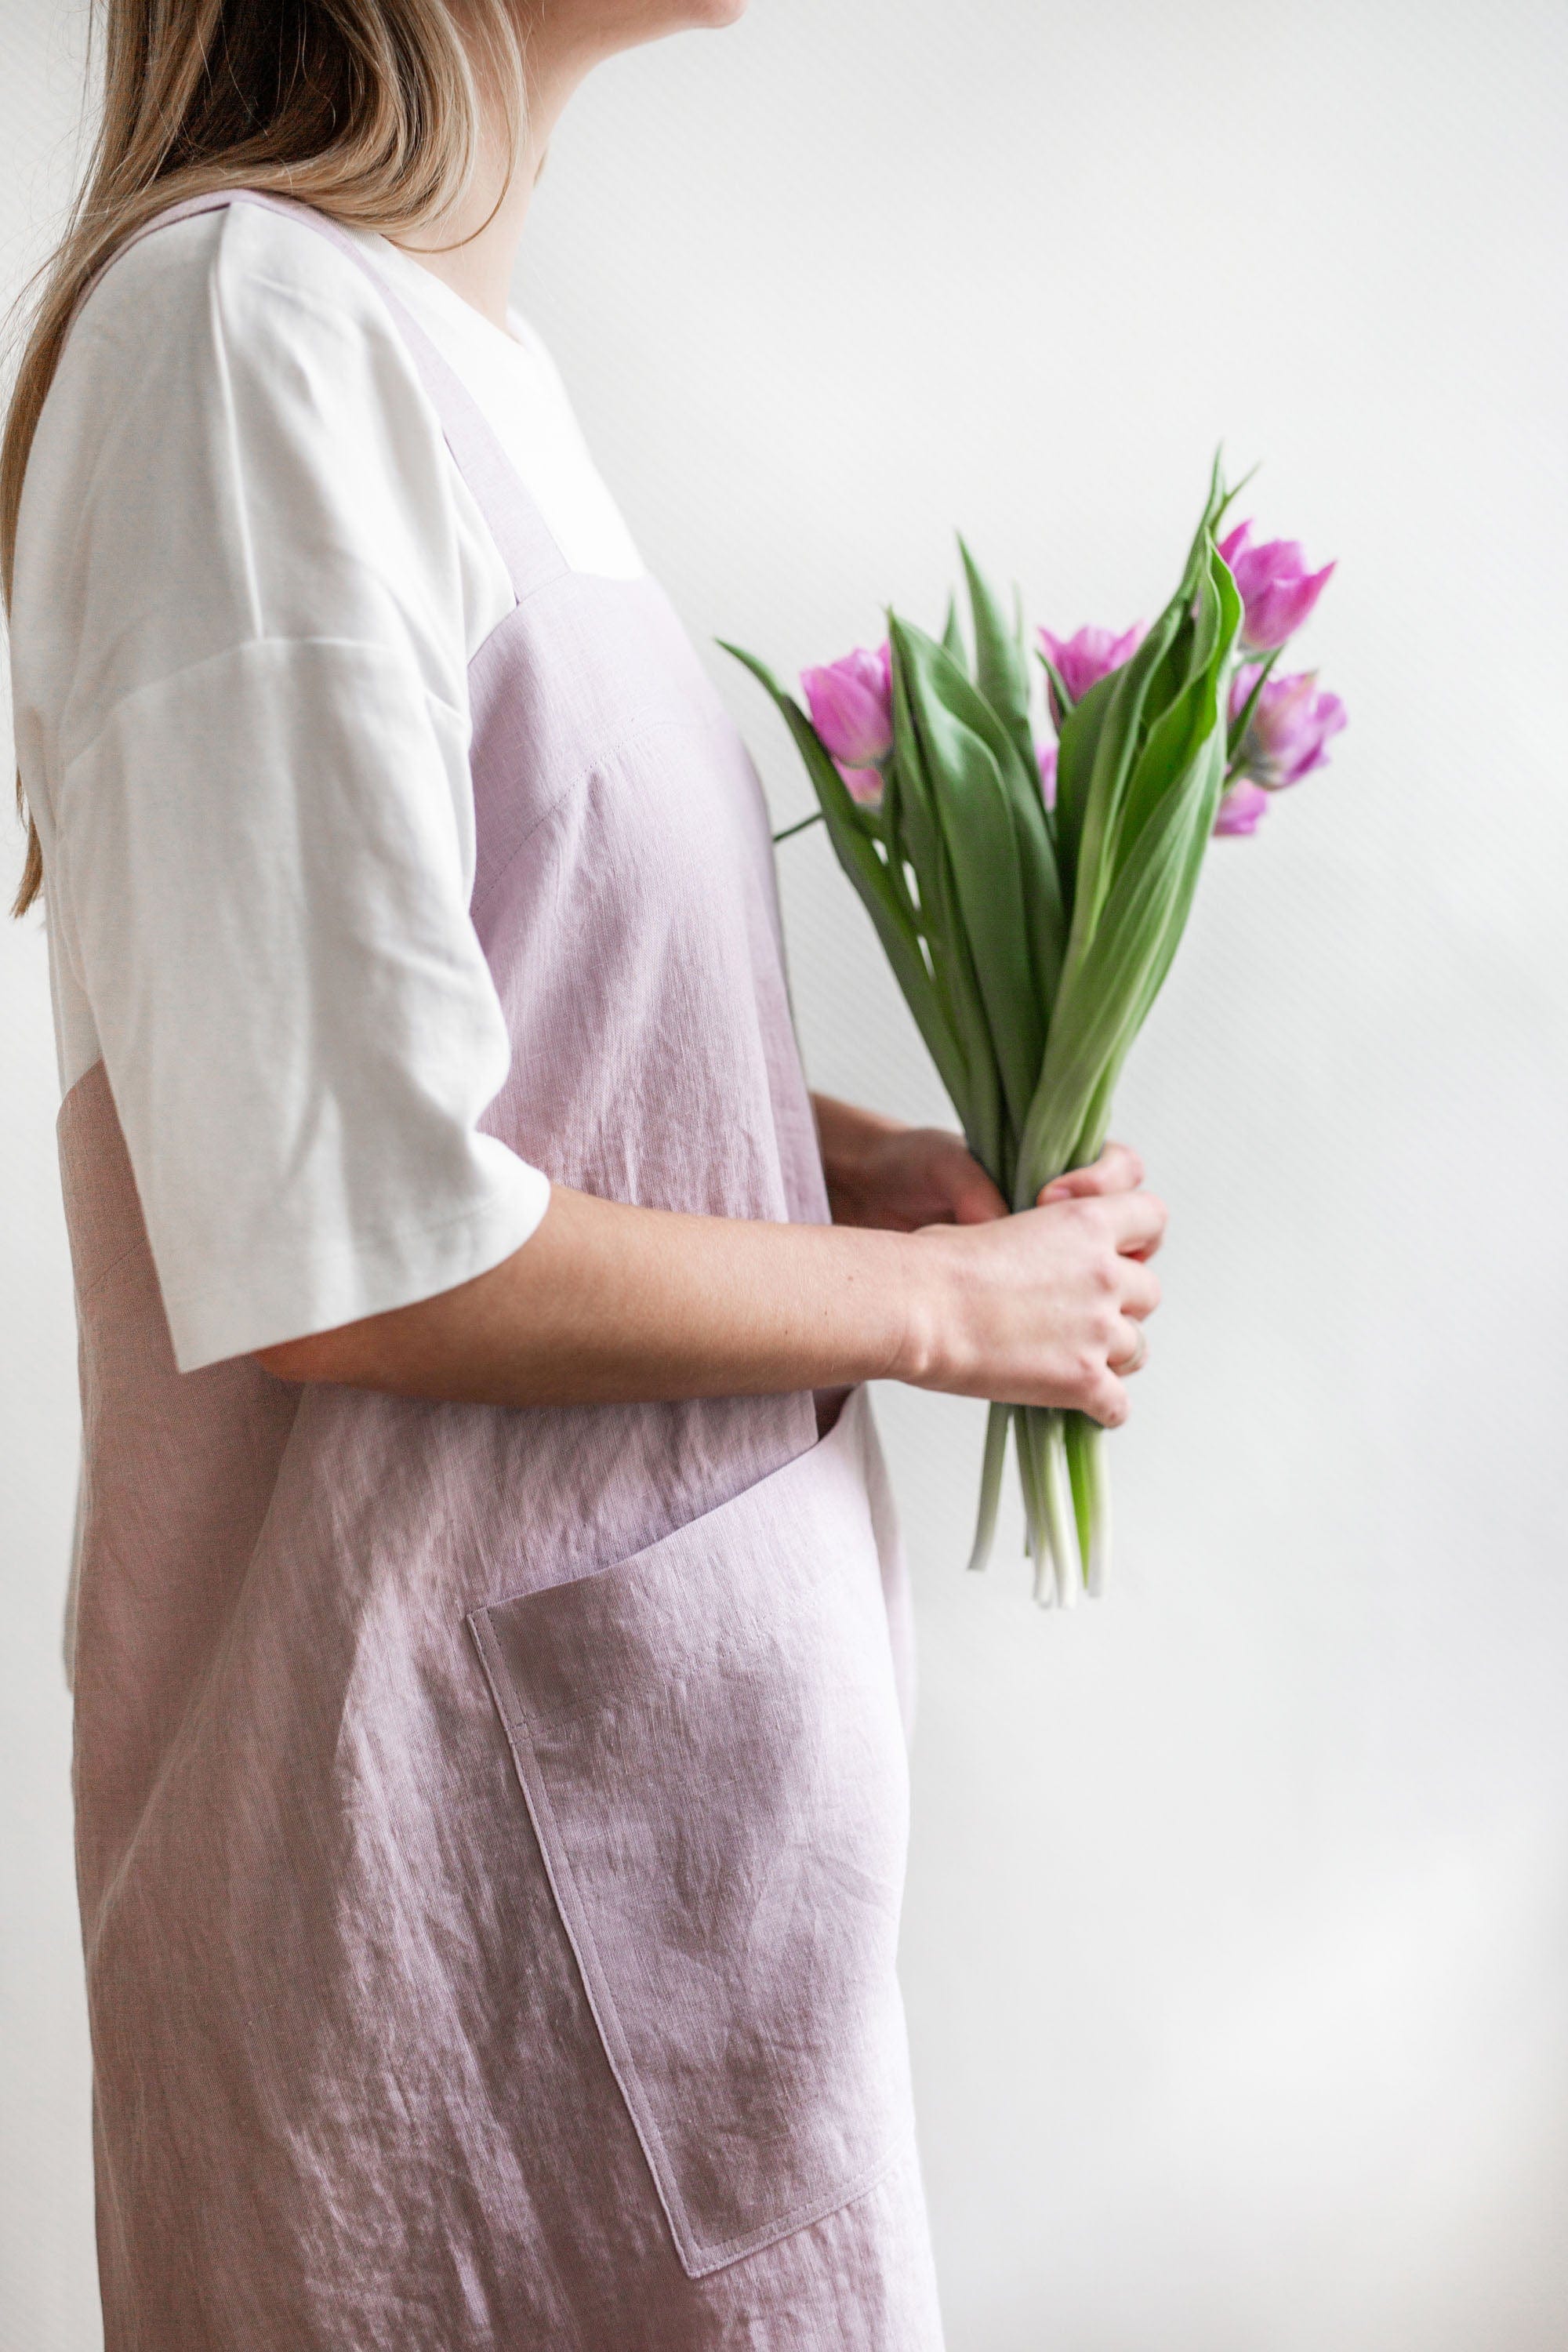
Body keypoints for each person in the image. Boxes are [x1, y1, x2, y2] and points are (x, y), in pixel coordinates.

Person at [3, 2, 1165, 2344]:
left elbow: (468, 1037)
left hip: (654, 1924)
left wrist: (841, 1171)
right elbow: (356, 1237)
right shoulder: (245, 341)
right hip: (448, 1934)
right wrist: (962, 1312)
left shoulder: (437, 344)